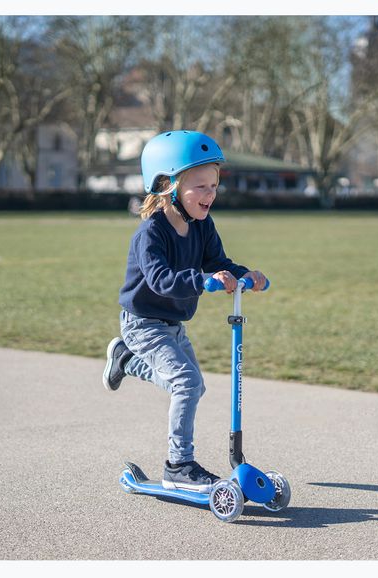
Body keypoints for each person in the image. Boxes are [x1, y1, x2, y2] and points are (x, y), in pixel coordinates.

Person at [103, 130, 267, 492]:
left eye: (214, 185)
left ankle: (125, 362)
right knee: (187, 383)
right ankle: (178, 464)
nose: (211, 195)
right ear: (167, 185)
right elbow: (161, 279)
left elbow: (218, 261)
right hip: (143, 323)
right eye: (201, 187)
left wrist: (245, 275)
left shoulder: (202, 226)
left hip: (173, 323)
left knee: (193, 385)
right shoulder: (151, 233)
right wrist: (203, 281)